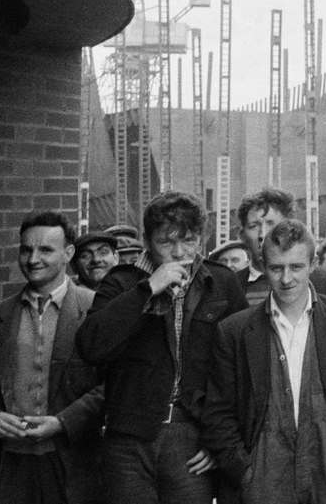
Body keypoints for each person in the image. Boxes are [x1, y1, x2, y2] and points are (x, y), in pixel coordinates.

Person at [76, 190, 248, 503]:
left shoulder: (222, 282)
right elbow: (91, 347)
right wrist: (148, 288)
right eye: (166, 242)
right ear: (147, 240)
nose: (179, 251)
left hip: (191, 436)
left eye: (189, 240)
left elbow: (239, 369)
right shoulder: (121, 281)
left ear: (202, 238)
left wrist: (218, 441)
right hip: (128, 436)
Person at [203, 219, 326, 504]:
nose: (286, 279)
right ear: (263, 266)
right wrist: (243, 469)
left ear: (312, 265)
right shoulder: (235, 330)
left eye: (296, 267)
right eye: (277, 268)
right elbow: (218, 409)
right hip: (265, 474)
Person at [0, 211, 104, 504]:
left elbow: (115, 385)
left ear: (68, 253)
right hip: (7, 465)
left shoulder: (97, 311)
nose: (33, 259)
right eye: (26, 249)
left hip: (72, 463)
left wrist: (63, 422)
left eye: (45, 249)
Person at [235, 187, 326, 305]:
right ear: (242, 235)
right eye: (253, 226)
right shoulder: (230, 285)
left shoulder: (325, 282)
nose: (263, 234)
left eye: (271, 223)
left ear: (289, 227)